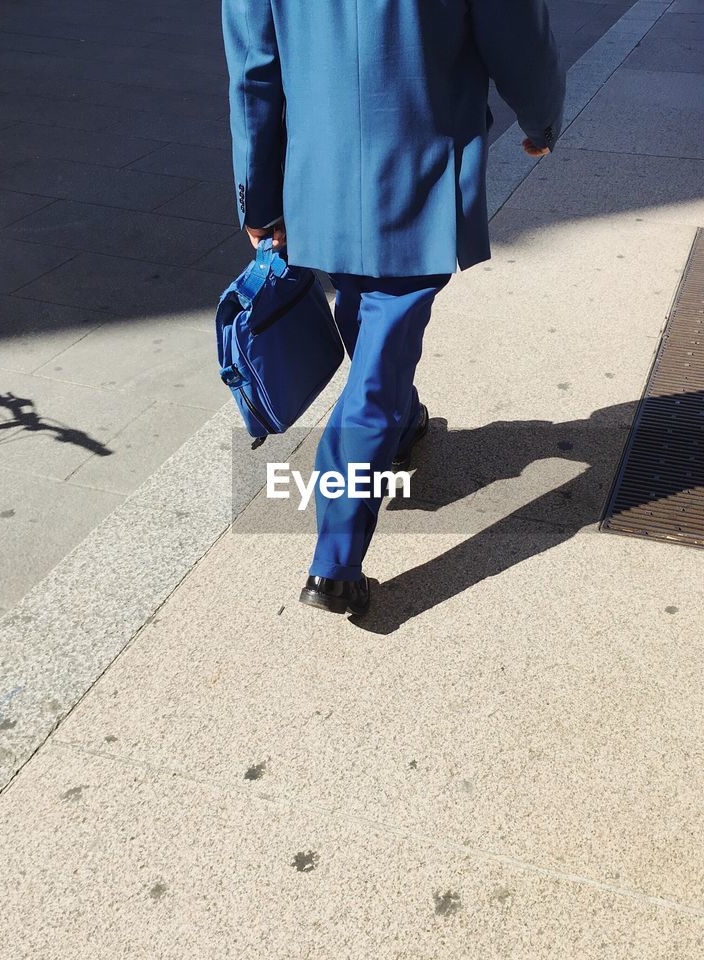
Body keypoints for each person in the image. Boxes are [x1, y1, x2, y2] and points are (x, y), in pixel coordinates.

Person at [223, 0, 565, 617]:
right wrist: (541, 119)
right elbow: (515, 27)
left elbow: (254, 67)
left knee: (364, 302)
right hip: (421, 152)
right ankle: (335, 562)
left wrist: (259, 195)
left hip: (319, 164)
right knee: (380, 351)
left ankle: (403, 423)